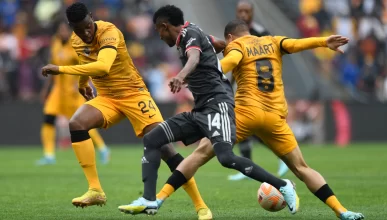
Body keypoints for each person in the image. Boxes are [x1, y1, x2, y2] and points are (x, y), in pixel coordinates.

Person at [153, 20, 365, 220]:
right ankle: (341, 211)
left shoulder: (236, 46)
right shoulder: (272, 41)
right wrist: (323, 41)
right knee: (302, 168)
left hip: (245, 114)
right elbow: (297, 43)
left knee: (200, 154)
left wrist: (197, 73)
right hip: (275, 118)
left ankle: (159, 198)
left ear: (230, 37)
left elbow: (229, 62)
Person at [118, 5, 299, 217]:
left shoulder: (190, 34)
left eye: (158, 30)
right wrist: (223, 54)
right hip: (200, 109)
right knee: (152, 139)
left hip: (218, 105)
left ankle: (282, 185)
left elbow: (194, 57)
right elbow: (220, 44)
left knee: (226, 158)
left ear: (164, 26)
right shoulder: (196, 34)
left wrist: (182, 75)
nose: (158, 36)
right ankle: (148, 200)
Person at [41, 3, 212, 220]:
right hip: (107, 97)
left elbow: (103, 66)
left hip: (134, 95)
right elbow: (86, 60)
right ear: (71, 27)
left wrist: (61, 69)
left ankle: (201, 206)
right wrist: (82, 83)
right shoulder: (76, 40)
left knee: (165, 149)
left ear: (92, 18)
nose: (85, 33)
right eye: (78, 29)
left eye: (87, 27)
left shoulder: (109, 32)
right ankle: (95, 190)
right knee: (76, 123)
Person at [228, 0, 289, 181]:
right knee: (242, 126)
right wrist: (228, 85)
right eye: (240, 11)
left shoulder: (262, 33)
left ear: (252, 13)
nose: (243, 15)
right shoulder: (234, 34)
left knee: (257, 128)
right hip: (242, 87)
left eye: (247, 11)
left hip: (260, 89)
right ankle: (247, 168)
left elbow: (273, 59)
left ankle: (282, 155)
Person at [37, 21, 110, 166]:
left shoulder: (76, 44)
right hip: (58, 91)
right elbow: (52, 67)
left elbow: (85, 65)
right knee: (48, 118)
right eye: (61, 30)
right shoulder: (55, 43)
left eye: (65, 30)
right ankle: (49, 155)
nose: (63, 32)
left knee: (82, 123)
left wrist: (84, 84)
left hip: (74, 91)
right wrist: (46, 89)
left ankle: (103, 149)